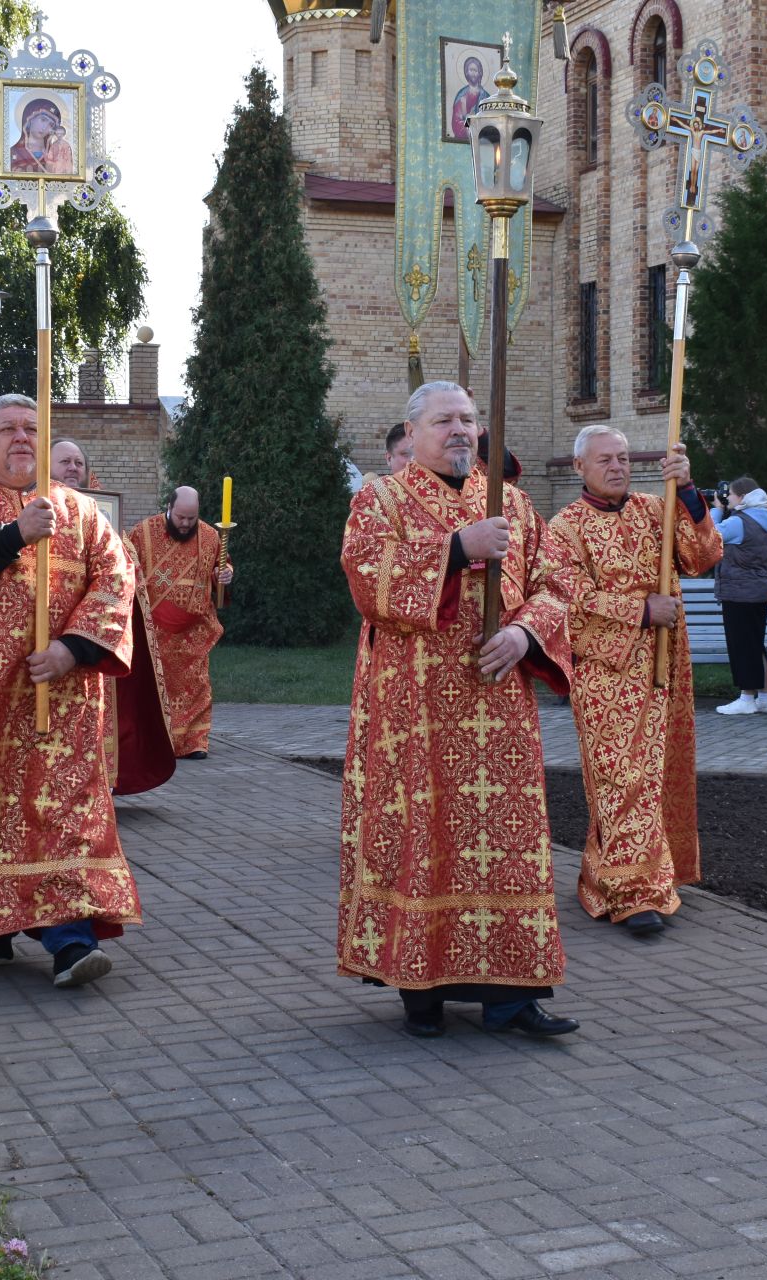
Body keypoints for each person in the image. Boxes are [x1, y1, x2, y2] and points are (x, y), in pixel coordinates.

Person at [338, 381, 579, 1039]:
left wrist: (523, 634)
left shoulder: (516, 507)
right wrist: (455, 550)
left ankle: (511, 997)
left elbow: (557, 588)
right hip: (411, 716)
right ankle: (422, 994)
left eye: (469, 419)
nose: (460, 430)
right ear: (412, 433)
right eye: (445, 419)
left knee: (505, 845)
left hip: (497, 715)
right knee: (425, 841)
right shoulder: (379, 500)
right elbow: (367, 579)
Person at [0, 393, 142, 988]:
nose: (20, 438)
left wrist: (72, 649)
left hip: (59, 701)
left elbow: (118, 580)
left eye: (31, 429)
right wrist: (12, 534)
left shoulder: (83, 513)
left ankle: (70, 942)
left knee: (62, 811)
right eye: (8, 428)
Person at [550, 425, 723, 938]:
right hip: (607, 674)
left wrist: (688, 490)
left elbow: (702, 556)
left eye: (624, 458)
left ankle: (614, 877)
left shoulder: (656, 508)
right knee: (621, 779)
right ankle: (634, 894)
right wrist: (641, 609)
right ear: (580, 467)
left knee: (656, 776)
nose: (617, 467)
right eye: (605, 459)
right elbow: (564, 602)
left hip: (666, 667)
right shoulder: (565, 528)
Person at [124, 487, 233, 759]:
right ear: (169, 508)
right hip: (154, 629)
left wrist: (225, 576)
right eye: (181, 517)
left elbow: (222, 571)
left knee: (195, 684)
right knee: (153, 687)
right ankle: (155, 743)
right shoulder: (142, 533)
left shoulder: (210, 536)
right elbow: (125, 569)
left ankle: (194, 742)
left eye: (191, 518)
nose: (185, 524)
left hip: (194, 629)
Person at [713, 477, 767, 715]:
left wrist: (715, 511)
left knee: (742, 644)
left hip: (740, 591)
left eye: (729, 495)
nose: (726, 498)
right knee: (754, 644)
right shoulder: (764, 517)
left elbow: (710, 538)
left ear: (741, 497)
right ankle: (765, 697)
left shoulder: (740, 522)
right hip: (758, 589)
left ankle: (746, 698)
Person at [8, 96, 74, 174]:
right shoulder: (14, 152)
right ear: (30, 118)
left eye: (51, 124)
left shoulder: (56, 152)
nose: (45, 127)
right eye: (43, 120)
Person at [450, 55, 486, 141]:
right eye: (471, 70)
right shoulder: (461, 95)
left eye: (475, 70)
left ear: (480, 73)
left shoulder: (486, 96)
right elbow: (456, 122)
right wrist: (469, 123)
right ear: (466, 72)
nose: (473, 73)